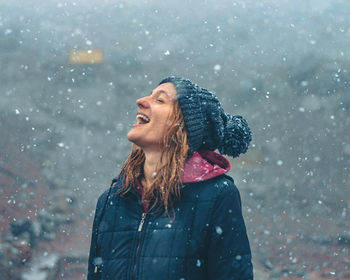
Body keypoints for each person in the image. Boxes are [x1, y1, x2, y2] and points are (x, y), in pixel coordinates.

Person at [87, 76, 254, 280]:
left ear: (182, 126)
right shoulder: (112, 199)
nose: (141, 101)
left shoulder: (216, 196)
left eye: (160, 100)